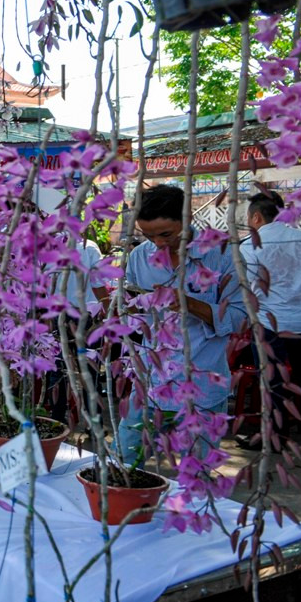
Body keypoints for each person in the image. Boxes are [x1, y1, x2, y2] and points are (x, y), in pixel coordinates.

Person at [117, 184, 246, 463]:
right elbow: (137, 315)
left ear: (187, 219)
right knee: (125, 462)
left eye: (166, 234)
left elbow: (239, 318)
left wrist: (190, 304)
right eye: (148, 236)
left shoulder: (222, 255)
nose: (159, 244)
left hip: (202, 384)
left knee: (198, 471)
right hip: (151, 381)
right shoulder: (140, 257)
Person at [240, 192, 301, 450]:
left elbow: (244, 287)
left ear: (256, 217)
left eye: (249, 218)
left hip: (269, 324)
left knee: (272, 381)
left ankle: (275, 437)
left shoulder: (250, 245)